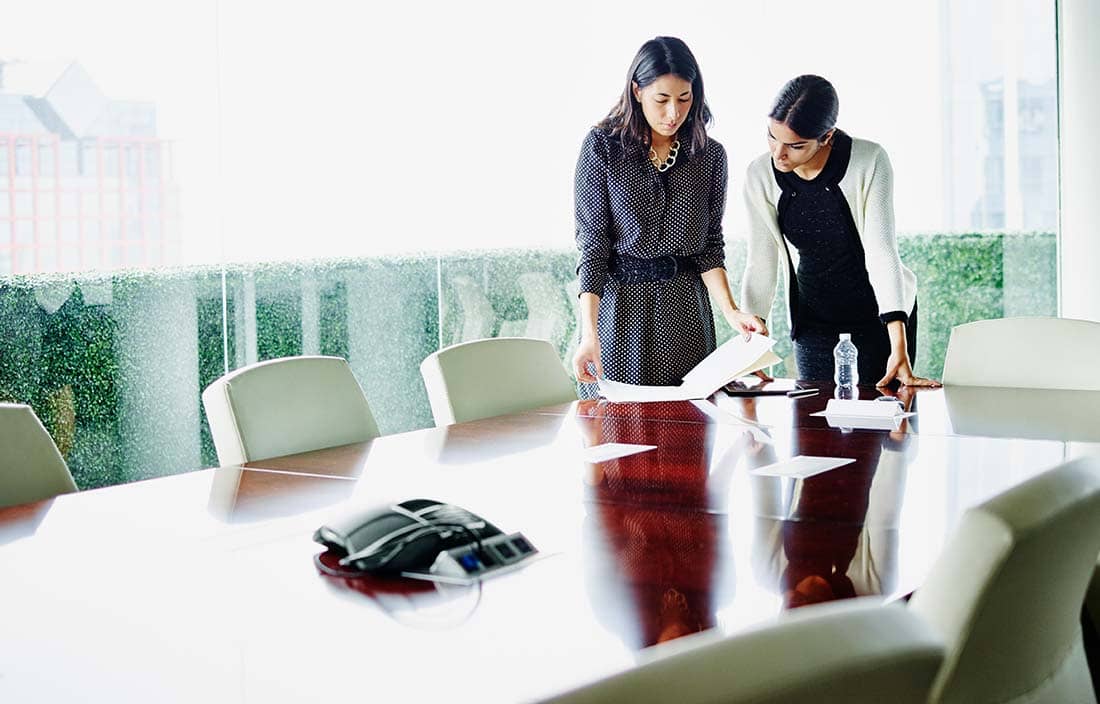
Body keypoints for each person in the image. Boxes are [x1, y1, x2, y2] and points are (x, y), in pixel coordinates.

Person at [572, 36, 765, 393]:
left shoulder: (709, 155)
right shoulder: (602, 147)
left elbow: (708, 246)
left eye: (684, 99)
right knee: (620, 435)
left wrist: (732, 312)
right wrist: (589, 333)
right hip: (620, 317)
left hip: (686, 315)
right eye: (661, 99)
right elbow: (592, 248)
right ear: (637, 91)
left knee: (691, 432)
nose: (673, 113)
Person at [740, 75, 939, 388]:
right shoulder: (759, 175)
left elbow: (881, 251)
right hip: (813, 320)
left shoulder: (869, 160)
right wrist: (749, 348)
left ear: (826, 136)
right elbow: (760, 262)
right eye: (771, 137)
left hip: (880, 318)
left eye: (795, 145)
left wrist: (898, 345)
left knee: (883, 427)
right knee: (814, 428)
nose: (779, 154)